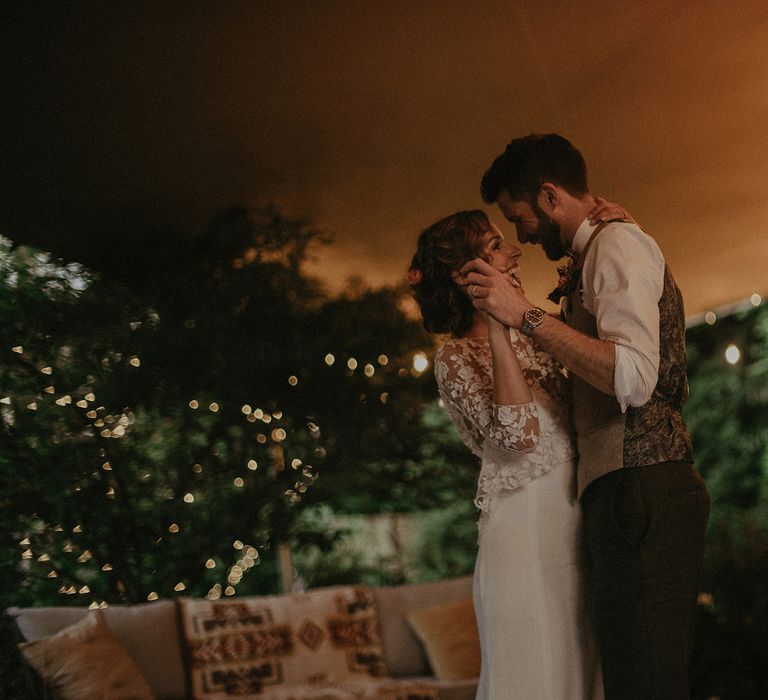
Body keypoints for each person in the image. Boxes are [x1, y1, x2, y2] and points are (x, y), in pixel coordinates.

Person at [462, 133, 709, 699]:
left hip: (642, 486)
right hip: (622, 491)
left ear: (549, 196)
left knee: (644, 683)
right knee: (630, 679)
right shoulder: (599, 248)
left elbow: (632, 375)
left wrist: (523, 315)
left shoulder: (617, 246)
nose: (522, 234)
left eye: (518, 217)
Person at [408, 200, 629, 699]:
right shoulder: (455, 358)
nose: (514, 251)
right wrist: (499, 324)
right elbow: (519, 435)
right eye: (495, 247)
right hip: (524, 541)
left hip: (574, 528)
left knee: (582, 674)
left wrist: (613, 229)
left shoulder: (541, 332)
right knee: (539, 679)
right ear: (471, 278)